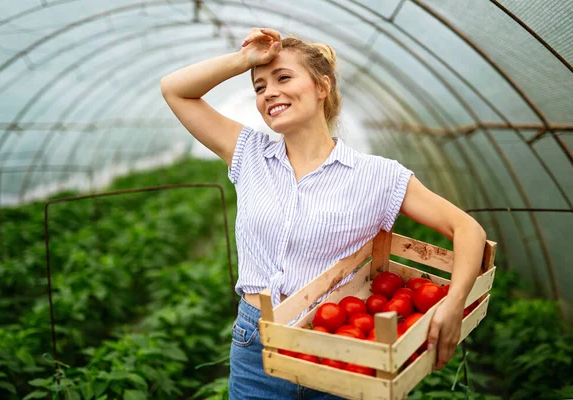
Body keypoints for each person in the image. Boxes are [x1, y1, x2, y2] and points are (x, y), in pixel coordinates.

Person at [160, 27, 487, 400]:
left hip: (343, 345)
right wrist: (245, 59)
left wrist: (454, 303)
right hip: (257, 345)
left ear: (322, 87)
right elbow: (175, 89)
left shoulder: (377, 175)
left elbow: (466, 228)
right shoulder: (249, 155)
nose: (269, 92)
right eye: (259, 86)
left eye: (283, 77)